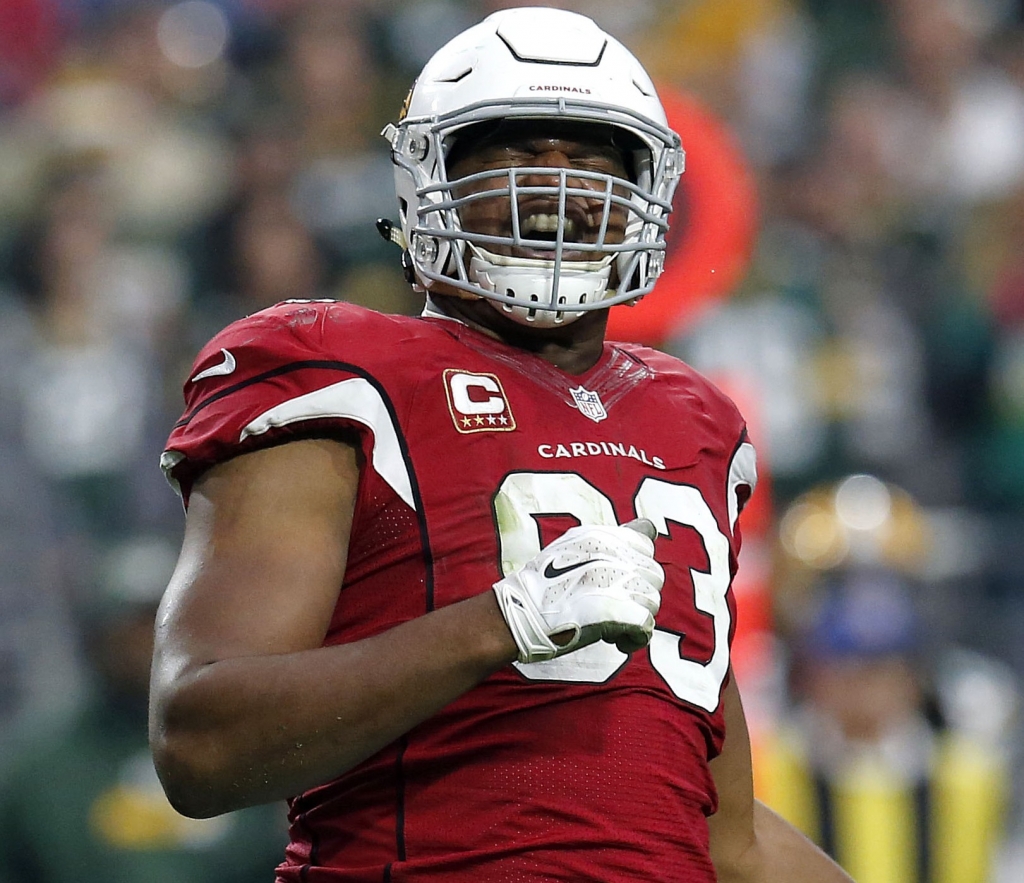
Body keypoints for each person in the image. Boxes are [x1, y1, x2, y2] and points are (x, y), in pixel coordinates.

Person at [149, 8, 854, 881]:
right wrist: (499, 623)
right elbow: (201, 743)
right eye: (517, 151)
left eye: (594, 156)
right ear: (429, 173)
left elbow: (727, 831)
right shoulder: (342, 372)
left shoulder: (695, 420)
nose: (559, 186)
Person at [0, 536, 286, 883]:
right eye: (130, 625)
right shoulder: (37, 770)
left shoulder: (260, 746)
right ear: (95, 638)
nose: (148, 640)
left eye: (163, 619)